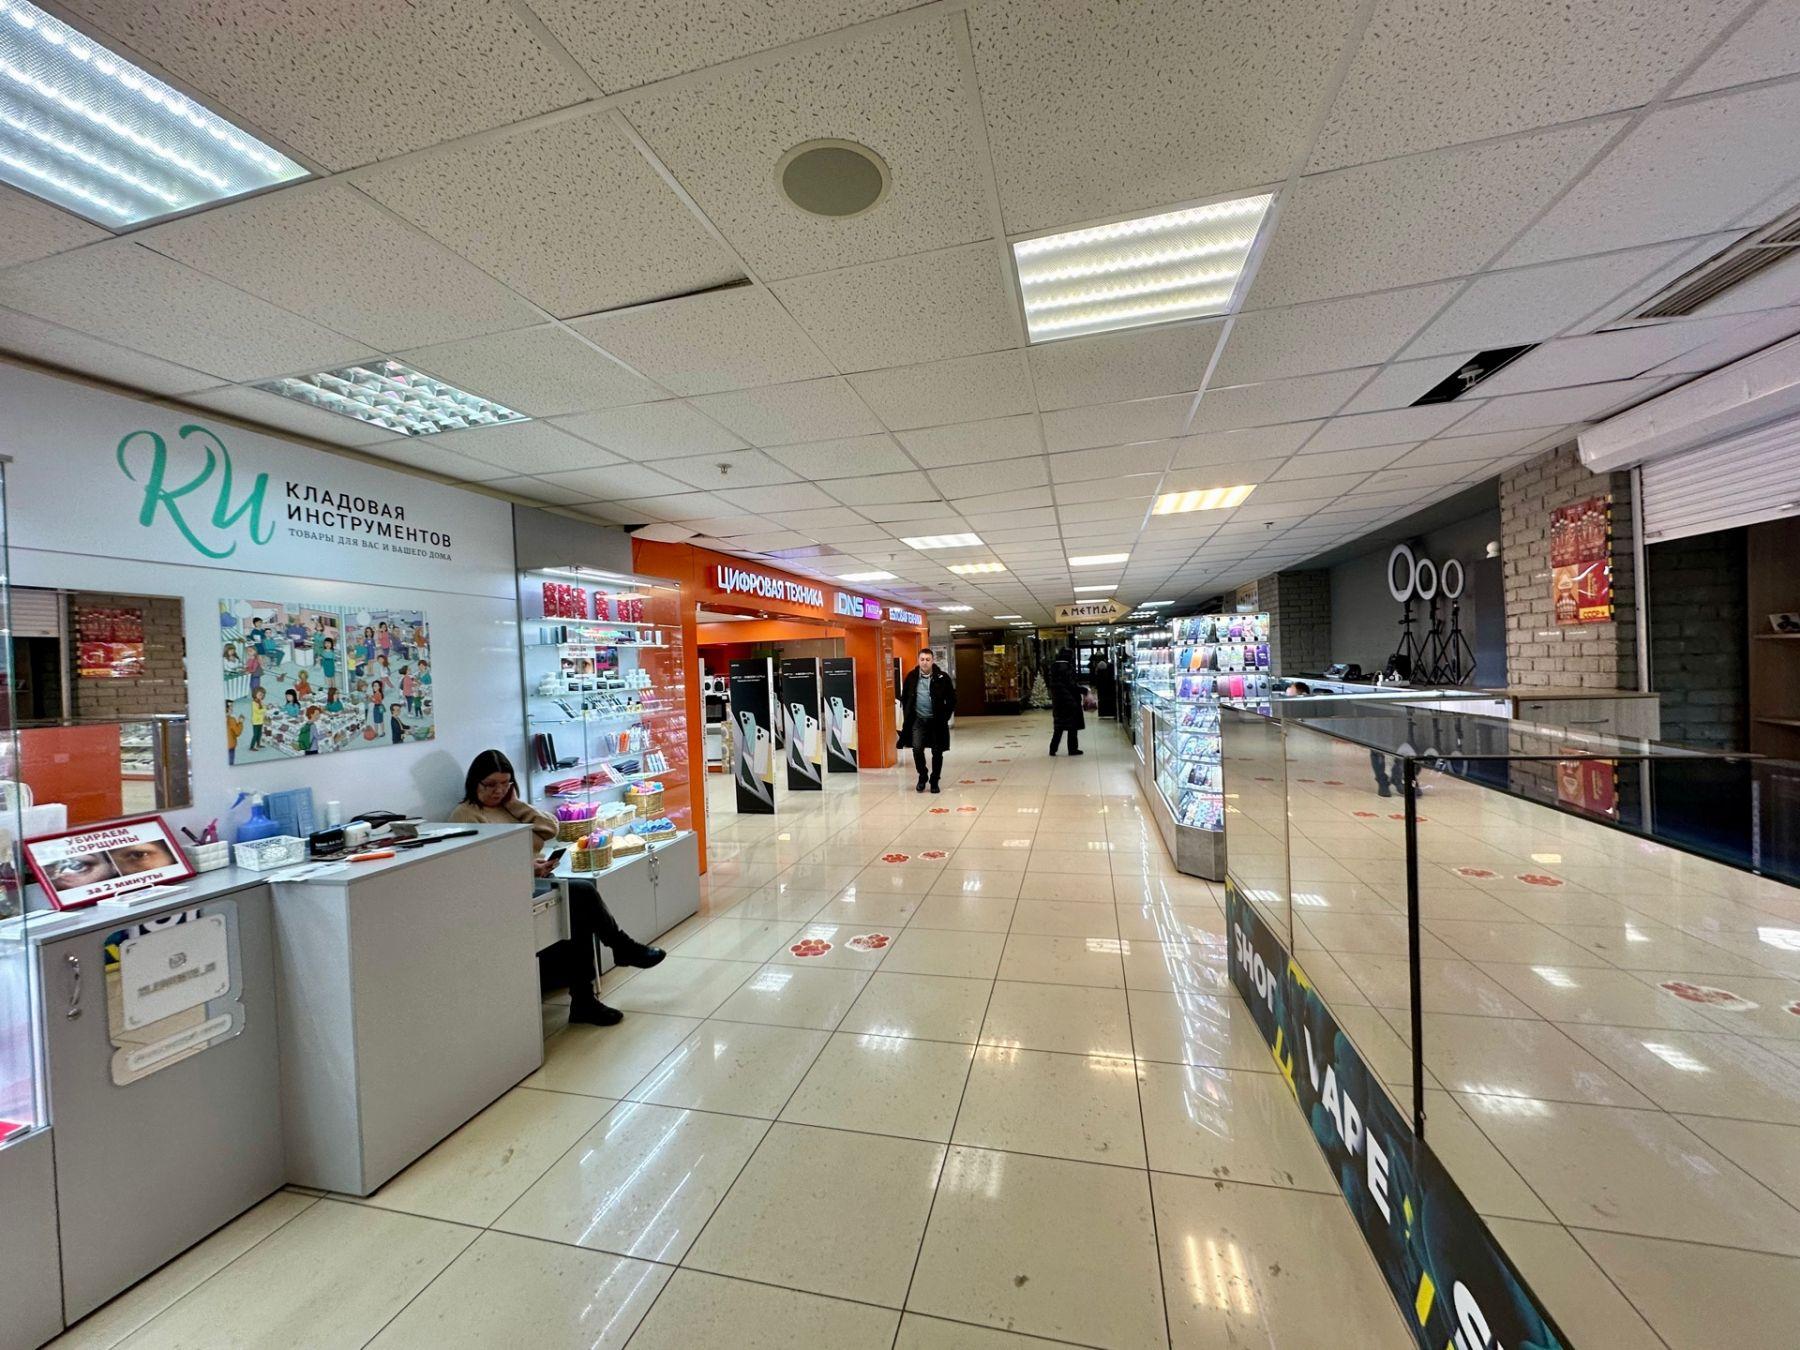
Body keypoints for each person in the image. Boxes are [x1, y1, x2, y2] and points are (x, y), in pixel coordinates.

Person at [449, 750, 665, 1026]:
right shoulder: (467, 815)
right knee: (581, 893)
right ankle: (615, 956)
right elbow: (477, 869)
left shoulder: (508, 807)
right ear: (474, 782)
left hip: (531, 886)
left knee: (577, 907)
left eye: (505, 783)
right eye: (490, 784)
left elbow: (551, 829)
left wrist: (515, 804)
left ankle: (590, 993)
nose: (498, 791)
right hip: (503, 897)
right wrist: (527, 868)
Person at [897, 646, 954, 793]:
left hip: (936, 721)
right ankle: (922, 776)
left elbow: (952, 699)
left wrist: (945, 716)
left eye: (928, 659)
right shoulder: (911, 677)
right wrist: (908, 713)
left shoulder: (942, 677)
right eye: (922, 659)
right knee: (917, 748)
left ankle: (934, 780)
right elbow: (905, 697)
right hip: (918, 720)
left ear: (932, 661)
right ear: (918, 660)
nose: (925, 662)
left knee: (937, 751)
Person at [1048, 646, 1086, 755]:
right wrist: (1083, 690)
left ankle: (1053, 749)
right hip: (1070, 701)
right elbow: (1071, 686)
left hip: (1058, 702)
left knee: (1058, 727)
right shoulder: (1067, 668)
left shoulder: (1054, 668)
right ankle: (1072, 749)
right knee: (1072, 727)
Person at [225, 700, 244, 766]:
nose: (232, 708)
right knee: (230, 763)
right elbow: (237, 732)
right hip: (230, 745)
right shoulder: (231, 719)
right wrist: (240, 722)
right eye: (231, 706)